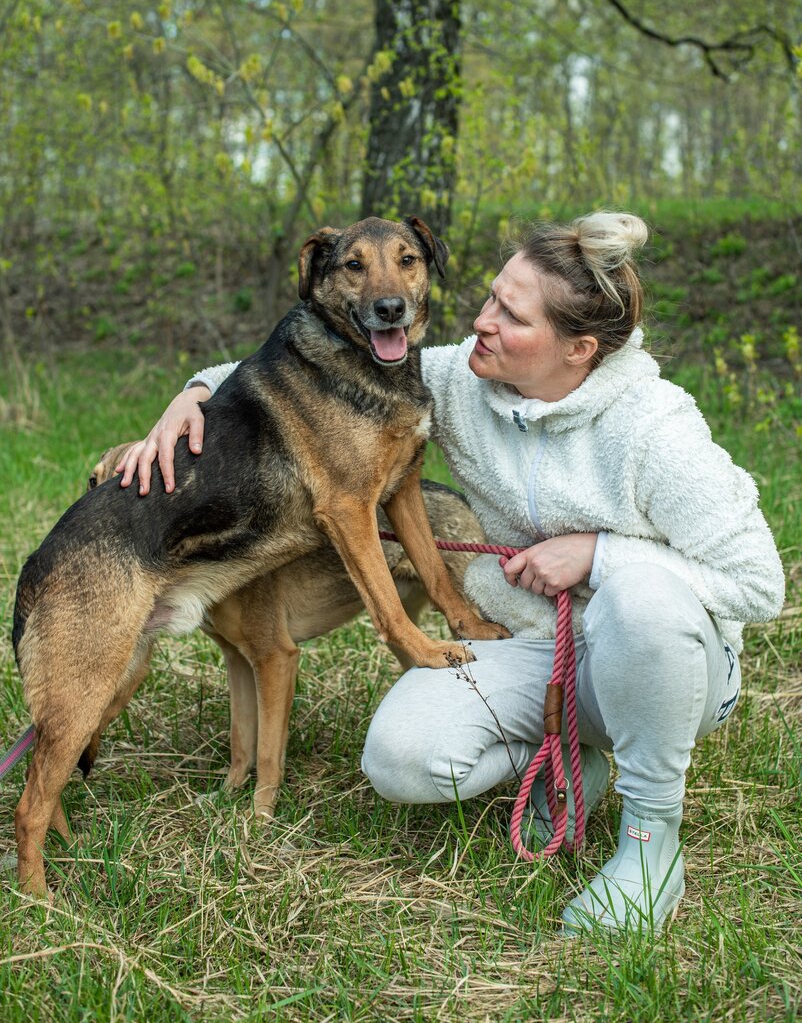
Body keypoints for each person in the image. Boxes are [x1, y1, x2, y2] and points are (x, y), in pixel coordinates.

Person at [119, 211, 785, 934]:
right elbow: (295, 378)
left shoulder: (657, 429)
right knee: (402, 760)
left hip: (674, 670)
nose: (480, 322)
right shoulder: (458, 381)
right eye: (490, 297)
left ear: (578, 349)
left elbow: (759, 583)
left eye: (511, 314)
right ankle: (573, 755)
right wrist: (190, 397)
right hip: (538, 651)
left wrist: (600, 554)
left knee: (644, 599)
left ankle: (650, 845)